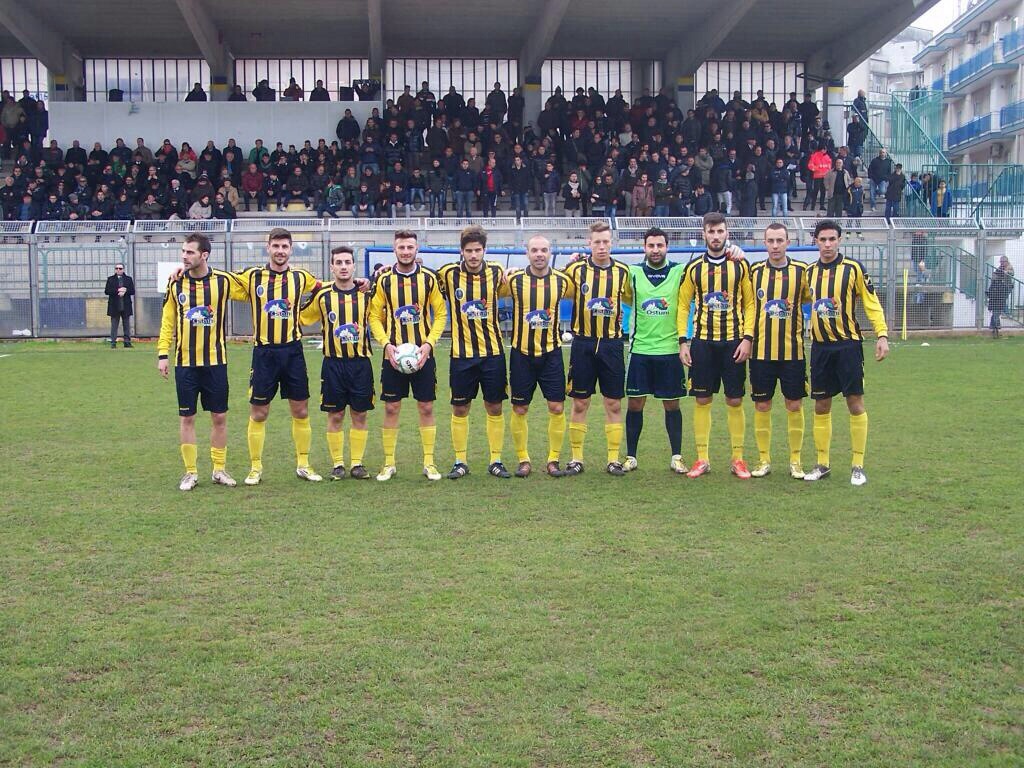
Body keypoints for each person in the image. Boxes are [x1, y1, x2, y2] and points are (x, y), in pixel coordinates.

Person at [156, 234, 246, 491]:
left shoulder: (223, 282)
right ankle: (190, 472)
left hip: (216, 362)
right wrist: (163, 354)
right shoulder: (175, 284)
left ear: (204, 255)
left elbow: (251, 287)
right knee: (187, 417)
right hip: (185, 363)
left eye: (190, 252)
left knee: (219, 416)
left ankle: (219, 469)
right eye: (183, 252)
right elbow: (168, 323)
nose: (184, 256)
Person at [234, 229, 324, 485]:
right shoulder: (252, 276)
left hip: (293, 352)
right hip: (264, 353)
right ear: (268, 247)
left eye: (285, 246)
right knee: (259, 412)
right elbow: (222, 280)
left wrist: (357, 282)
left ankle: (304, 464)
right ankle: (255, 468)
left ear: (291, 248)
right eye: (276, 246)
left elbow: (325, 287)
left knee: (301, 410)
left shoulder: (301, 277)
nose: (280, 250)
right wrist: (182, 271)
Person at [804, 220, 889, 486]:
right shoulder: (808, 272)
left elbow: (871, 303)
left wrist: (882, 335)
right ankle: (822, 463)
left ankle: (858, 465)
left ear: (840, 240)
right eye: (822, 239)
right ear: (815, 241)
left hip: (848, 347)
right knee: (821, 405)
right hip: (820, 348)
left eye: (832, 239)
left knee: (855, 403)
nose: (827, 244)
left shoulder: (853, 269)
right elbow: (804, 302)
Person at [677, 212, 755, 479]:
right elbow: (683, 305)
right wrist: (683, 341)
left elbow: (749, 304)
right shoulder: (694, 268)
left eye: (720, 231)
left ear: (727, 233)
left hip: (733, 341)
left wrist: (748, 338)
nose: (716, 236)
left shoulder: (740, 265)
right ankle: (702, 458)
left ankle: (738, 458)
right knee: (702, 398)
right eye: (711, 232)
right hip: (702, 343)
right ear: (704, 234)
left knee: (735, 399)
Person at [367, 230, 448, 482]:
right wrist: (386, 344)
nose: (405, 251)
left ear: (417, 249)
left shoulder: (429, 280)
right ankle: (389, 463)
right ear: (394, 249)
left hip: (422, 355)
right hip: (393, 356)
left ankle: (429, 462)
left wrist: (428, 344)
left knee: (426, 406)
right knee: (391, 408)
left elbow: (441, 314)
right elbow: (374, 317)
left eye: (410, 247)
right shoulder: (384, 281)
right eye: (401, 247)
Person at [436, 226, 511, 479]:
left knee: (495, 406)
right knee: (460, 408)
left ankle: (496, 460)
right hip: (461, 355)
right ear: (462, 251)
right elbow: (422, 282)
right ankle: (460, 461)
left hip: (493, 354)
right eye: (469, 251)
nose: (473, 255)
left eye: (478, 250)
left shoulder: (497, 271)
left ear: (484, 251)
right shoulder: (448, 274)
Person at [500, 235, 575, 477]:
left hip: (551, 354)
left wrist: (577, 261)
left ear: (550, 252)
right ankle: (524, 460)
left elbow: (585, 285)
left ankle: (553, 460)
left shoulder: (563, 281)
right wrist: (503, 270)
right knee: (520, 408)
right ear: (527, 253)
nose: (539, 254)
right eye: (535, 250)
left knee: (556, 407)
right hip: (521, 354)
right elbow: (488, 284)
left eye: (544, 250)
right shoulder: (514, 280)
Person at [563, 221, 633, 476]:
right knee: (580, 402)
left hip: (612, 345)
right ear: (589, 244)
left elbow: (631, 299)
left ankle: (613, 459)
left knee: (613, 403)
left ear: (611, 243)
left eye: (605, 242)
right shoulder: (576, 270)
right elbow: (559, 289)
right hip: (583, 343)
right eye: (597, 242)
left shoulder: (624, 273)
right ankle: (576, 459)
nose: (601, 246)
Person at [298, 246, 374, 480]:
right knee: (336, 414)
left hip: (360, 363)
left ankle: (358, 464)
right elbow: (300, 317)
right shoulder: (323, 296)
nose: (343, 266)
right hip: (333, 364)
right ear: (331, 267)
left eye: (347, 262)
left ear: (354, 266)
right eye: (338, 262)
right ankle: (338, 464)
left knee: (359, 414)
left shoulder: (366, 294)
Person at [748, 223, 812, 479]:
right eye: (771, 241)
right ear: (764, 243)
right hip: (761, 353)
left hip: (792, 353)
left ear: (788, 242)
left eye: (780, 240)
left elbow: (810, 299)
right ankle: (764, 460)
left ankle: (795, 461)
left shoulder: (801, 272)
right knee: (762, 405)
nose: (775, 245)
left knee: (794, 404)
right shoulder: (753, 272)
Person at [622, 228, 688, 475]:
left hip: (670, 351)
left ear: (667, 246)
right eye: (651, 245)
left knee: (672, 405)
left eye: (660, 245)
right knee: (635, 404)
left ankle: (677, 456)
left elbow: (706, 269)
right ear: (644, 248)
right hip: (640, 350)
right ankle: (631, 457)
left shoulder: (679, 272)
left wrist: (734, 253)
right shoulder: (633, 273)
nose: (656, 250)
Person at [104, 262, 135, 348]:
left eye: (120, 268)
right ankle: (113, 342)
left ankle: (127, 342)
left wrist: (125, 291)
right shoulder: (110, 279)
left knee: (126, 325)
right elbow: (107, 291)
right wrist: (118, 290)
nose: (118, 270)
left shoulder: (128, 279)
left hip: (126, 305)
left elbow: (132, 291)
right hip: (114, 306)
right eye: (116, 268)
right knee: (114, 325)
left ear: (123, 269)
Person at [986, 255, 1015, 338]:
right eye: (1001, 262)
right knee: (997, 307)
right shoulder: (1000, 268)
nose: (1002, 263)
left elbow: (1011, 273)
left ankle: (1006, 313)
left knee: (1000, 304)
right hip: (999, 289)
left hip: (1006, 287)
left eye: (1003, 262)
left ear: (1006, 261)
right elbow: (995, 275)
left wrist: (1006, 273)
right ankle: (995, 325)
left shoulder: (1009, 267)